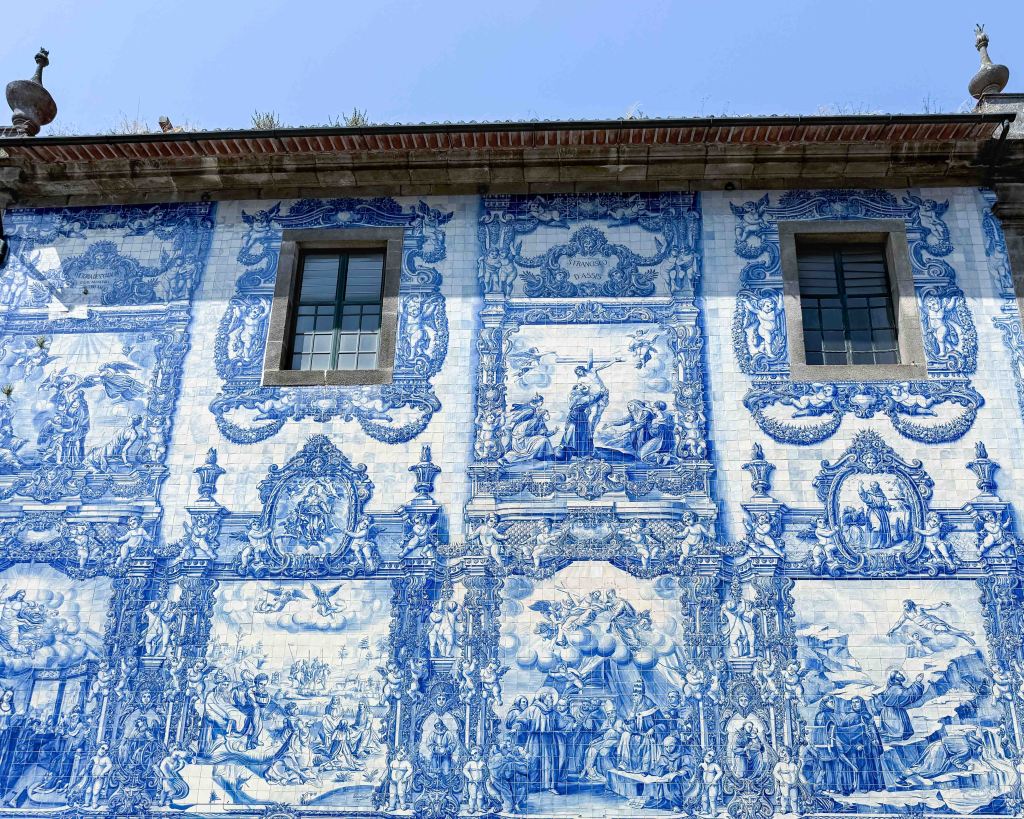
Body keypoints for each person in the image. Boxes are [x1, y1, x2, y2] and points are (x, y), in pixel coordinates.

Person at [516, 691, 567, 793]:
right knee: (534, 760)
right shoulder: (532, 709)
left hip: (549, 740)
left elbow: (562, 725)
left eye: (552, 699)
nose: (552, 701)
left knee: (551, 762)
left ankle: (551, 786)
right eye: (550, 698)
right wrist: (518, 726)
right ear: (543, 699)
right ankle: (533, 785)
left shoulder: (553, 712)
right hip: (534, 739)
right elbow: (521, 720)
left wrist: (570, 724)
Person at [836, 697, 884, 792]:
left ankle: (877, 785)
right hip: (858, 747)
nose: (854, 704)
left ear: (861, 703)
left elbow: (873, 730)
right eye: (853, 702)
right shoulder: (849, 717)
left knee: (874, 764)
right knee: (863, 765)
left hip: (870, 744)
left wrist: (876, 741)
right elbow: (844, 734)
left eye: (857, 702)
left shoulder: (867, 715)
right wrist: (855, 744)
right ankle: (864, 787)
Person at [809, 696, 853, 795]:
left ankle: (828, 787)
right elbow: (834, 729)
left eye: (833, 701)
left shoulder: (820, 715)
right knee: (835, 766)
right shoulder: (827, 715)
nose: (832, 703)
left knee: (827, 767)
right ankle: (836, 787)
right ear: (825, 703)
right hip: (830, 744)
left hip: (823, 745)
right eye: (830, 702)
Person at [887, 599, 976, 646]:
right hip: (928, 625)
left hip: (932, 619)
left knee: (949, 629)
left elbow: (932, 607)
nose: (904, 607)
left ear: (909, 604)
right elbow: (899, 622)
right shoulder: (906, 614)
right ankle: (964, 632)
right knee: (944, 629)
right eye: (903, 606)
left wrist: (941, 603)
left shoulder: (918, 607)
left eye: (905, 605)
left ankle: (966, 637)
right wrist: (891, 630)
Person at [617, 681, 660, 774]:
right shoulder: (634, 707)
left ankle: (645, 768)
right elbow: (630, 728)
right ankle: (625, 763)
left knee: (646, 741)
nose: (634, 697)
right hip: (637, 734)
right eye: (634, 695)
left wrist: (653, 729)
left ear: (642, 695)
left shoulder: (651, 707)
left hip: (648, 735)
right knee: (625, 735)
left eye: (637, 695)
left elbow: (663, 724)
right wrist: (633, 710)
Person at [877, 670, 925, 742]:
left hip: (894, 711)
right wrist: (917, 682)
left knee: (903, 733)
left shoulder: (896, 687)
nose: (901, 674)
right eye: (898, 674)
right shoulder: (896, 689)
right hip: (892, 714)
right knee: (897, 733)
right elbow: (908, 695)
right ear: (895, 678)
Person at [772, 747, 800, 814]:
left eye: (786, 756)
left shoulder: (793, 765)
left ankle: (795, 811)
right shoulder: (779, 764)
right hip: (784, 783)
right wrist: (781, 779)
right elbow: (775, 772)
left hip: (793, 784)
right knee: (785, 795)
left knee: (794, 798)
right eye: (782, 757)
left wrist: (800, 780)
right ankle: (783, 807)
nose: (784, 758)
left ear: (790, 755)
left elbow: (798, 774)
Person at [463, 746, 487, 813]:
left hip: (481, 783)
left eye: (475, 753)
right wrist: (470, 777)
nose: (474, 756)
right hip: (472, 783)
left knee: (480, 796)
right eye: (472, 755)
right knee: (473, 796)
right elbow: (465, 770)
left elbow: (486, 772)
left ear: (480, 753)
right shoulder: (470, 763)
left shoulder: (482, 763)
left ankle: (480, 808)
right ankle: (471, 808)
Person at [700, 750, 723, 817]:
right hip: (704, 784)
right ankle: (705, 810)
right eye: (709, 755)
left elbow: (720, 772)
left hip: (713, 784)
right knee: (704, 798)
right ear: (704, 755)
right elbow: (698, 774)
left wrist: (715, 780)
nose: (711, 757)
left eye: (712, 756)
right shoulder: (702, 765)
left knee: (712, 798)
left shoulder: (714, 765)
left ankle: (714, 811)